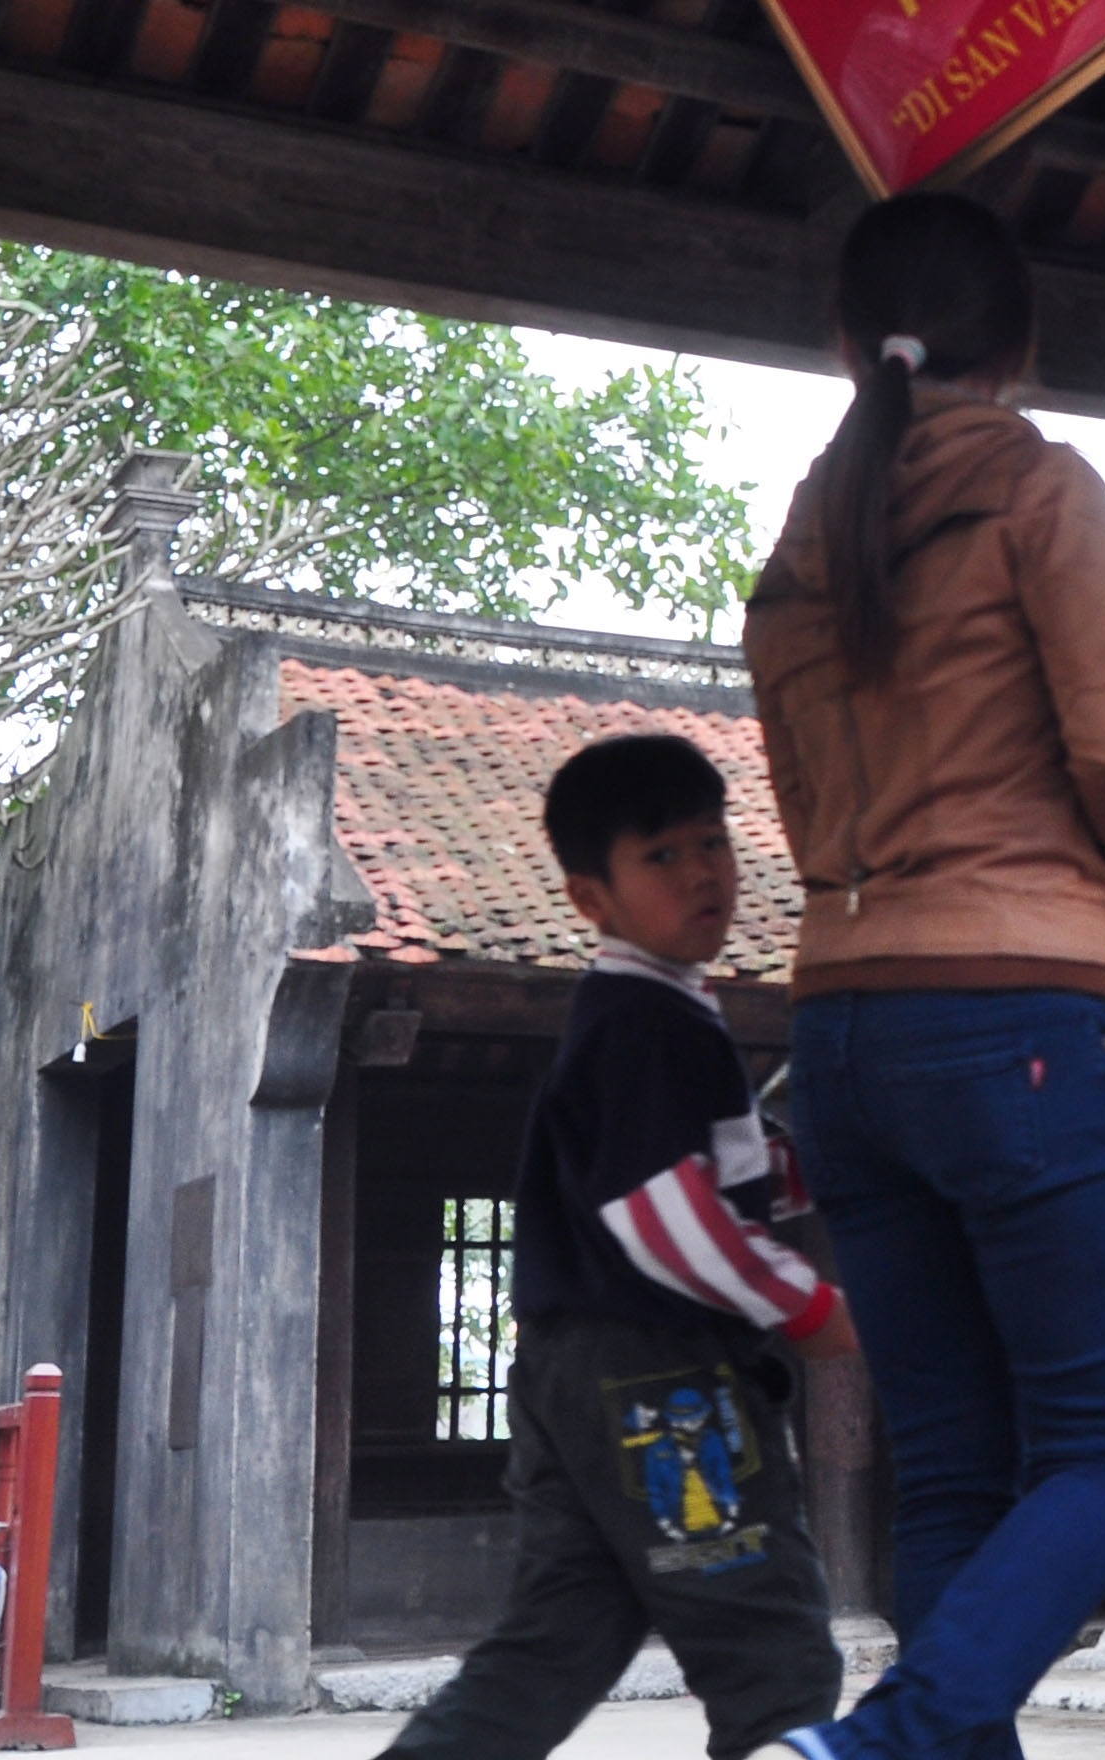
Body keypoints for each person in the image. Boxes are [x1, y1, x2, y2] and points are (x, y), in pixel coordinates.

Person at [745, 193, 1105, 1760]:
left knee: (949, 1474)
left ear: (846, 343)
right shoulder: (1039, 488)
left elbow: (801, 798)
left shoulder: (806, 542)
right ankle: (884, 1740)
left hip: (842, 1027)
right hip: (1014, 1016)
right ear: (1023, 342)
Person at [383, 735, 859, 1760]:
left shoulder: (658, 1015)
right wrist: (806, 1303)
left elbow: (724, 1175)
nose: (702, 873)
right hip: (661, 1378)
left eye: (711, 842)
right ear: (590, 897)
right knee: (772, 1653)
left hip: (574, 1373)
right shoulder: (647, 1023)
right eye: (662, 856)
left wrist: (835, 1168)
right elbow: (663, 1212)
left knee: (557, 1640)